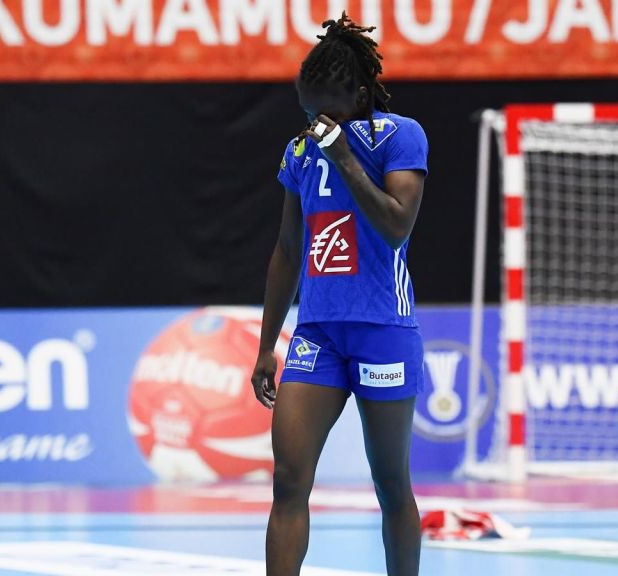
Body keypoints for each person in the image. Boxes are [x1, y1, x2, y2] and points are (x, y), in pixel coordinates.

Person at [250, 13, 428, 576]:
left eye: (326, 110)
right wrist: (266, 345)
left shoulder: (400, 136)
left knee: (391, 483)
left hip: (383, 331)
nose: (316, 122)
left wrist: (343, 155)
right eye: (308, 112)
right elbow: (287, 250)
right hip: (319, 334)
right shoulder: (299, 152)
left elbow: (396, 225)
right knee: (288, 480)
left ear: (360, 95)